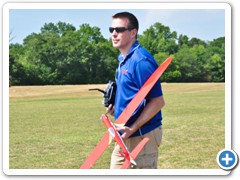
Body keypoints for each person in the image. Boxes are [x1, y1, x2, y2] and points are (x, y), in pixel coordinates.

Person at [107, 12, 165, 169]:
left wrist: (132, 128)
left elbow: (158, 101)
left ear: (133, 32)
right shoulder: (123, 59)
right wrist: (117, 107)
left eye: (119, 29)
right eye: (111, 29)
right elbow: (132, 95)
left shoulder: (141, 61)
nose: (114, 33)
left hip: (141, 134)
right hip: (124, 133)